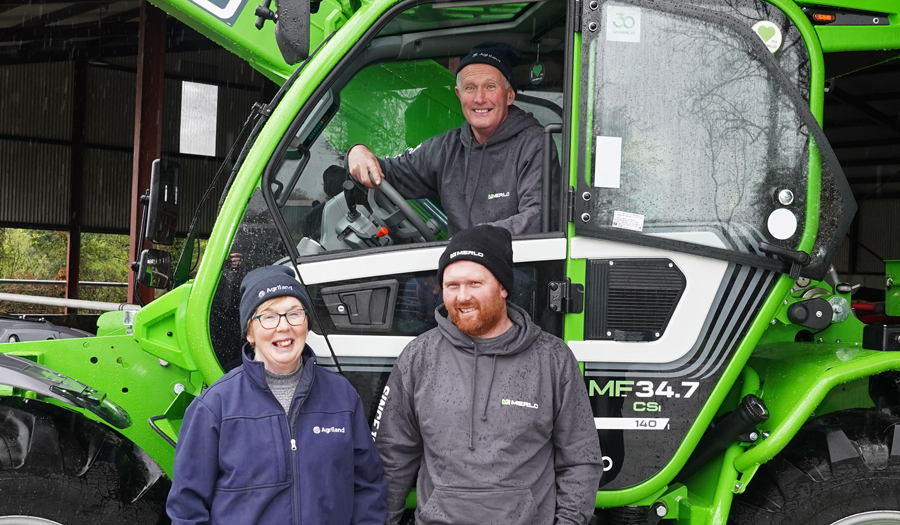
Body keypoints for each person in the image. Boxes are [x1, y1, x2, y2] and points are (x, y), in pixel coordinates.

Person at [373, 225, 603, 525]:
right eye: (452, 285)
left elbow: (581, 458)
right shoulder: (418, 357)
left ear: (503, 287)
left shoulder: (552, 359)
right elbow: (392, 458)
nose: (462, 296)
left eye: (475, 283)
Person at [166, 265, 387, 525]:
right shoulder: (215, 406)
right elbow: (186, 508)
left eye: (294, 314)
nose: (283, 327)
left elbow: (368, 487)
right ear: (249, 332)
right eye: (268, 317)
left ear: (306, 324)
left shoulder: (342, 397)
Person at [347, 42, 560, 236]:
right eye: (470, 88)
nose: (479, 98)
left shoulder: (533, 144)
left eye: (490, 86)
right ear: (459, 95)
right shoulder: (447, 148)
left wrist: (471, 241)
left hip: (516, 269)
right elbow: (387, 174)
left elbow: (538, 217)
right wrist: (357, 152)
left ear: (509, 95)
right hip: (459, 269)